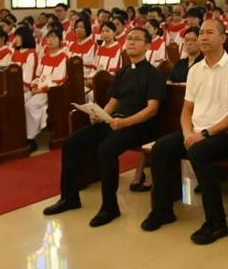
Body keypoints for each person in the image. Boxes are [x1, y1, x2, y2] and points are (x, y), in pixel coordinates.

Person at [141, 19, 228, 243]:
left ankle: (217, 223)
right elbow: (186, 109)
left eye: (209, 33)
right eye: (201, 33)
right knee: (161, 148)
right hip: (195, 132)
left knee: (198, 152)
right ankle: (163, 210)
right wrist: (187, 134)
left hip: (227, 136)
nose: (203, 37)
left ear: (223, 38)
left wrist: (204, 134)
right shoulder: (195, 70)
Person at [43, 27, 166, 227]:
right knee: (71, 143)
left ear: (147, 46)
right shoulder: (123, 72)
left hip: (139, 126)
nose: (131, 42)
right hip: (115, 122)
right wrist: (100, 115)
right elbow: (113, 101)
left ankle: (110, 208)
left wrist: (125, 122)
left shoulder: (154, 74)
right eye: (129, 38)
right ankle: (69, 198)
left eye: (137, 39)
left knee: (106, 149)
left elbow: (152, 110)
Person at [25, 28, 68, 152]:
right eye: (48, 37)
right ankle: (20, 135)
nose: (50, 40)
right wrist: (34, 85)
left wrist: (40, 90)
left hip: (52, 92)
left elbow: (58, 81)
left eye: (54, 38)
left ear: (60, 41)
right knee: (20, 99)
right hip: (39, 89)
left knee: (30, 106)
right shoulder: (44, 57)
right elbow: (38, 75)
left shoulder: (63, 58)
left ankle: (30, 139)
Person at [10, 26, 39, 99]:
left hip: (26, 89)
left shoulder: (31, 53)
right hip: (13, 85)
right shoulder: (15, 52)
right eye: (15, 36)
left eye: (18, 36)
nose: (15, 39)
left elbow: (28, 77)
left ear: (26, 37)